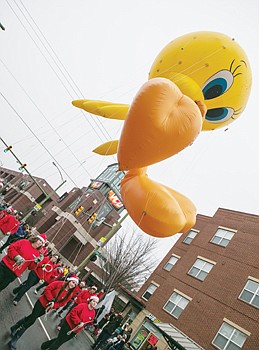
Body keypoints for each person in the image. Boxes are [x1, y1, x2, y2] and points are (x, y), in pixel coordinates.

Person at [9, 276, 79, 350]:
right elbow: (47, 289)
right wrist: (50, 299)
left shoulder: (69, 294)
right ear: (69, 281)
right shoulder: (59, 284)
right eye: (73, 282)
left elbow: (62, 303)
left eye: (75, 284)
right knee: (32, 320)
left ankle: (15, 326)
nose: (73, 284)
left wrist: (54, 305)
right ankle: (16, 338)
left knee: (31, 317)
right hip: (41, 303)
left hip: (47, 308)